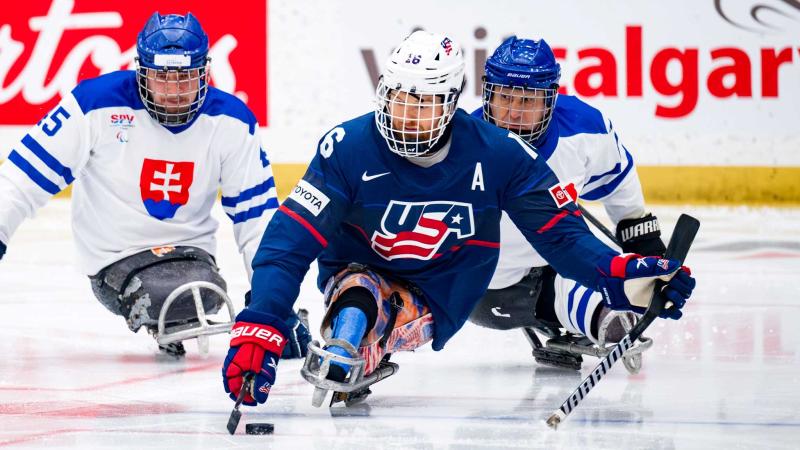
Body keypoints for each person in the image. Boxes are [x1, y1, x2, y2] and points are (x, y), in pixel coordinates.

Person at [221, 31, 694, 408]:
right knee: (359, 293)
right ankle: (355, 332)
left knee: (373, 301)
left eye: (423, 103)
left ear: (450, 103)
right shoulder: (344, 147)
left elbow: (562, 235)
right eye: (398, 98)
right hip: (364, 269)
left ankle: (373, 334)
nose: (406, 115)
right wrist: (261, 321)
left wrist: (620, 274)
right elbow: (288, 242)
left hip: (446, 290)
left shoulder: (500, 154)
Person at [0, 12, 309, 358]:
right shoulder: (93, 104)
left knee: (202, 292)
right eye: (162, 77)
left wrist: (272, 302)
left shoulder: (232, 122)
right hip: (115, 259)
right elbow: (22, 178)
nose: (174, 91)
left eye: (186, 77)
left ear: (205, 71)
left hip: (193, 256)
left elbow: (258, 222)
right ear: (141, 70)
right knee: (168, 295)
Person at [467, 36, 669, 372]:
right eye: (505, 97)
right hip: (486, 287)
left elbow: (617, 177)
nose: (514, 113)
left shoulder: (585, 130)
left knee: (598, 283)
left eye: (528, 100)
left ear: (550, 100)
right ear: (488, 94)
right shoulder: (463, 146)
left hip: (559, 257)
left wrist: (640, 236)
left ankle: (600, 314)